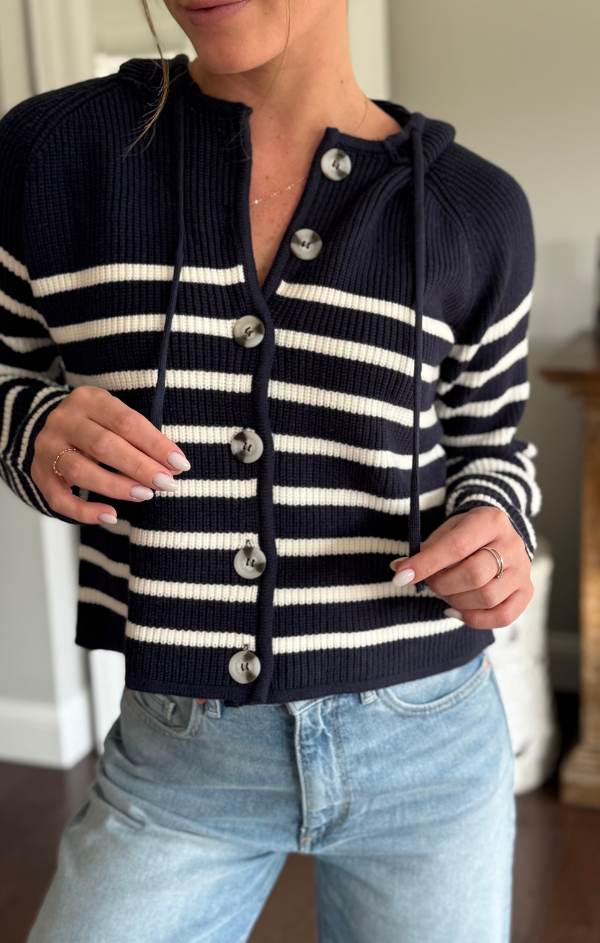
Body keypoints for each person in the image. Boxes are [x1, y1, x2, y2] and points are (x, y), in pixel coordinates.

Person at [0, 0, 541, 940]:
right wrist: (29, 427)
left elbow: (492, 441)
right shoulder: (50, 156)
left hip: (428, 743)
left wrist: (497, 529)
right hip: (180, 752)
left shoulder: (475, 211)